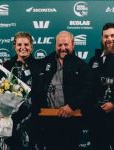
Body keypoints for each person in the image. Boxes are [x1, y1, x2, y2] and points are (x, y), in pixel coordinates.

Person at [36, 31, 93, 150]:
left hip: (71, 119)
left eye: (66, 45)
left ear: (73, 44)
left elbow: (89, 90)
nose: (63, 48)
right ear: (55, 46)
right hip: (48, 119)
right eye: (59, 45)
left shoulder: (82, 66)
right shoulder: (45, 62)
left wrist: (72, 105)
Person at [3, 31, 42, 150]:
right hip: (11, 117)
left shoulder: (39, 65)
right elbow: (0, 92)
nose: (23, 48)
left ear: (31, 46)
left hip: (33, 117)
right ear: (14, 46)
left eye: (26, 44)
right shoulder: (7, 65)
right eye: (19, 45)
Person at [89, 22, 114, 150]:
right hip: (97, 117)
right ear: (101, 39)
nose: (109, 39)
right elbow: (88, 86)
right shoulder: (94, 60)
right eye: (106, 36)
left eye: (112, 35)